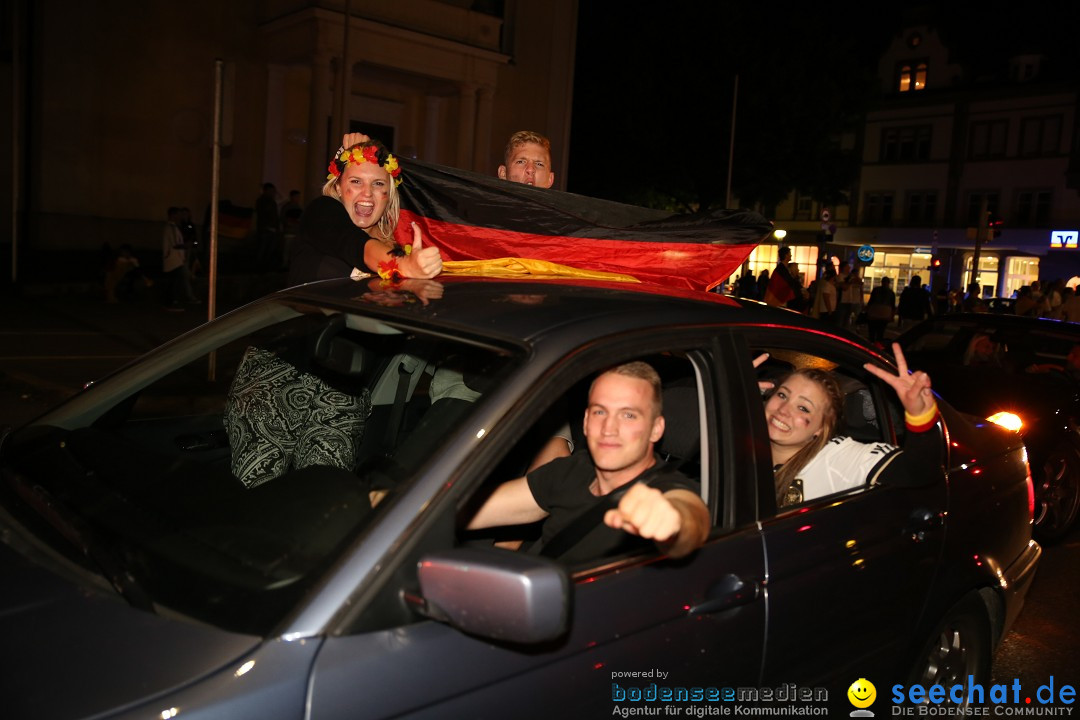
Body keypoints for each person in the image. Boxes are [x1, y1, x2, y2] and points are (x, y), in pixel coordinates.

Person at [466, 361, 710, 562]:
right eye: (600, 412)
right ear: (585, 422)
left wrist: (672, 522)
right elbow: (468, 509)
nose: (609, 428)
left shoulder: (666, 489)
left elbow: (689, 517)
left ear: (656, 429)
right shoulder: (573, 470)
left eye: (628, 415)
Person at [762, 344, 940, 507]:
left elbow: (918, 471)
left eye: (803, 408)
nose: (783, 410)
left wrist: (921, 417)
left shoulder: (836, 459)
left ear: (821, 428)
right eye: (782, 395)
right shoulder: (737, 432)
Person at [287, 134, 443, 286]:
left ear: (389, 194)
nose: (367, 192)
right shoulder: (321, 211)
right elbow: (354, 244)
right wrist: (403, 265)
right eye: (356, 181)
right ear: (338, 187)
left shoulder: (401, 244)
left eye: (378, 184)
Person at [162, 206, 199, 310]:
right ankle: (171, 302)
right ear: (173, 215)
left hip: (176, 259)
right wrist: (186, 245)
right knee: (173, 282)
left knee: (174, 281)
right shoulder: (171, 228)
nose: (180, 216)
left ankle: (171, 301)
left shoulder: (174, 227)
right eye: (178, 214)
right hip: (174, 260)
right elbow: (175, 244)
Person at [255, 182, 281, 270]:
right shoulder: (262, 201)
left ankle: (266, 266)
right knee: (263, 249)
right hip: (265, 229)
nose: (273, 193)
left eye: (273, 191)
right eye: (271, 191)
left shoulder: (272, 202)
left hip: (272, 229)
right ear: (265, 191)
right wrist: (267, 226)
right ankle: (259, 267)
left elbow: (275, 216)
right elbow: (263, 215)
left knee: (270, 249)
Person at [865, 277, 896, 343]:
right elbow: (892, 305)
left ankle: (871, 344)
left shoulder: (876, 290)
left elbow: (871, 301)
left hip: (874, 312)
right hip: (885, 313)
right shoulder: (891, 293)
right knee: (880, 332)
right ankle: (878, 345)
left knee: (872, 331)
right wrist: (891, 315)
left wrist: (867, 311)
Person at [279, 190, 303, 270]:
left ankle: (291, 264)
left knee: (293, 249)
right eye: (296, 197)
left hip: (296, 232)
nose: (298, 199)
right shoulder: (287, 207)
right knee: (286, 249)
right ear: (292, 197)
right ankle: (284, 264)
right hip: (289, 231)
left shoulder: (298, 207)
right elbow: (283, 219)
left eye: (298, 197)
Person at [836, 261, 864, 328]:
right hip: (842, 301)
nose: (849, 268)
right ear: (844, 268)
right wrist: (850, 281)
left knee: (846, 321)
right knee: (840, 321)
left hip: (849, 301)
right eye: (848, 267)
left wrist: (855, 277)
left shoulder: (850, 276)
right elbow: (844, 287)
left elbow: (860, 283)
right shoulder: (840, 276)